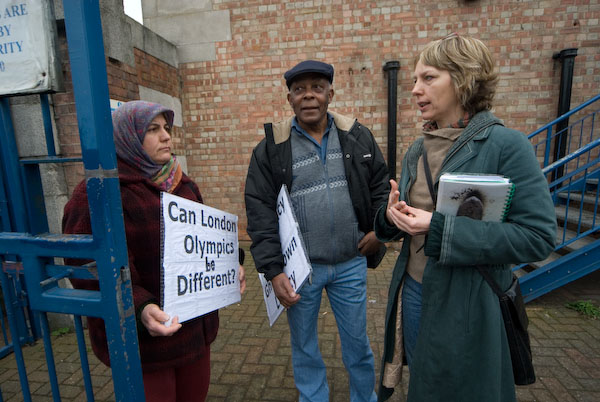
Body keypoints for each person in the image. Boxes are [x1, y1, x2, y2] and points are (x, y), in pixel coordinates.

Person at [375, 34, 557, 402]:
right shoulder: (416, 149)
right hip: (413, 291)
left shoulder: (506, 146)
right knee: (424, 385)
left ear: (463, 79)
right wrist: (392, 215)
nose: (414, 90)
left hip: (470, 302)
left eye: (428, 78)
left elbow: (537, 237)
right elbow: (411, 215)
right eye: (413, 80)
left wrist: (437, 227)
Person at [62, 101, 246, 402]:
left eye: (167, 129)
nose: (166, 137)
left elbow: (205, 240)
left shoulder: (182, 184)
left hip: (195, 333)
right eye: (153, 129)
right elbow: (88, 265)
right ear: (127, 137)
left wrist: (229, 266)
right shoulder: (99, 193)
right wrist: (140, 308)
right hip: (146, 342)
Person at [245, 60, 389, 402]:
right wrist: (273, 269)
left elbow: (381, 187)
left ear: (330, 94)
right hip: (301, 272)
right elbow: (260, 211)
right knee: (305, 347)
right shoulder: (272, 147)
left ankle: (364, 398)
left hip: (351, 264)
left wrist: (379, 231)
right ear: (290, 98)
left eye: (317, 88)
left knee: (358, 344)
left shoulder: (357, 136)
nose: (309, 96)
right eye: (299, 90)